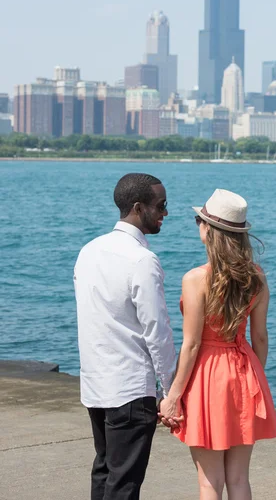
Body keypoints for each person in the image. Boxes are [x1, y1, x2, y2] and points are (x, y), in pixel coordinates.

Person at [160, 188, 276, 500]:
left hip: (208, 376)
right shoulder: (257, 277)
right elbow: (261, 337)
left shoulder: (195, 279)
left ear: (209, 230)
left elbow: (191, 345)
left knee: (209, 481)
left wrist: (173, 397)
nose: (197, 225)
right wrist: (256, 378)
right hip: (244, 370)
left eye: (198, 220)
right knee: (239, 478)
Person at [74, 173, 176, 500]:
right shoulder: (142, 260)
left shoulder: (88, 251)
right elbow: (157, 332)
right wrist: (170, 390)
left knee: (104, 472)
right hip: (130, 389)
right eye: (160, 205)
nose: (165, 212)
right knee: (124, 484)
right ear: (137, 207)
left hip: (95, 384)